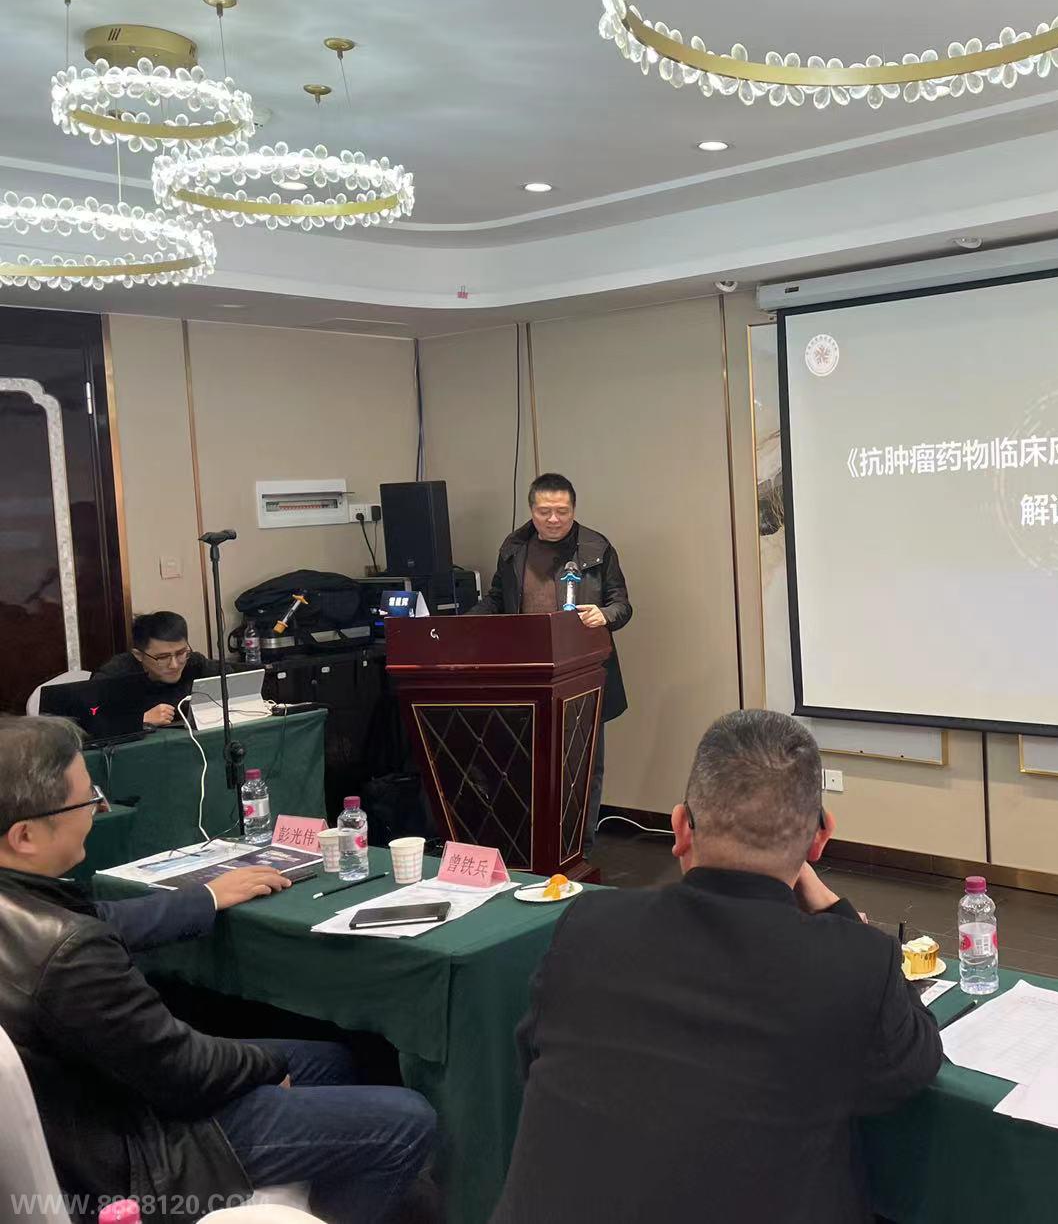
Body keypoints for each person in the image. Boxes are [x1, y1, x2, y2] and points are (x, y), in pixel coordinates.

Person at [490, 710, 943, 1224]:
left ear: (681, 827)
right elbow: (912, 1066)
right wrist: (835, 910)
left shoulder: (587, 926)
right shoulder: (853, 962)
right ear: (820, 839)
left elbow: (531, 1060)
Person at [0, 715, 436, 1224]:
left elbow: (103, 917)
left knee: (332, 1062)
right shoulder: (70, 952)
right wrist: (267, 1067)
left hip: (99, 1108)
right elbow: (184, 1070)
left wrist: (206, 897)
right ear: (25, 835)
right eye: (86, 799)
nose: (100, 809)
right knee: (408, 1121)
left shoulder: (30, 910)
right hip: (138, 1147)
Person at [475, 473, 631, 842]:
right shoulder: (514, 548)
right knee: (526, 763)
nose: (554, 519)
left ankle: (579, 845)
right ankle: (533, 844)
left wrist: (604, 615)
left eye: (563, 511)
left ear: (574, 509)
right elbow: (496, 600)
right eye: (545, 511)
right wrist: (463, 624)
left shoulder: (596, 547)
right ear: (532, 510)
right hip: (527, 673)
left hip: (582, 673)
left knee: (582, 766)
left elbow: (622, 605)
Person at [92, 611, 225, 728]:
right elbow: (89, 717)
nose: (174, 665)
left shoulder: (195, 663)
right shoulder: (117, 673)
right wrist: (140, 719)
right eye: (163, 657)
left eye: (180, 653)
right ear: (138, 655)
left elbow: (233, 679)